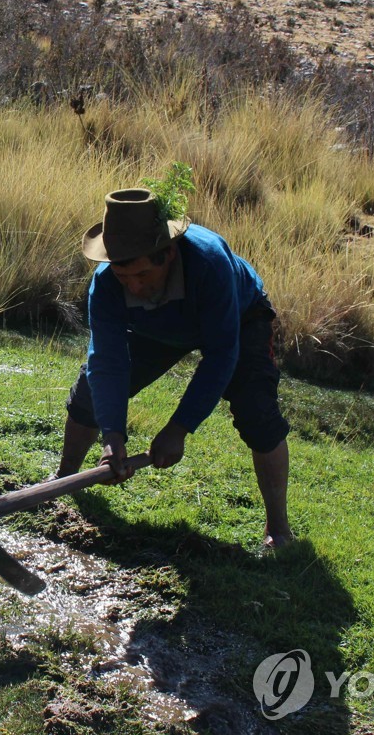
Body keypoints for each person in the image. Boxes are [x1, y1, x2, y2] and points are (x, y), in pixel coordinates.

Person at [59, 187, 295, 549]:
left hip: (240, 317)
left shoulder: (210, 263)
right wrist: (112, 436)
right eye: (124, 279)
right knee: (89, 395)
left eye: (140, 275)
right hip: (156, 326)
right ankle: (64, 480)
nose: (133, 287)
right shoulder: (106, 285)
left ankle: (278, 530)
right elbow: (106, 362)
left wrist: (178, 428)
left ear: (167, 254)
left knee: (257, 414)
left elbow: (221, 355)